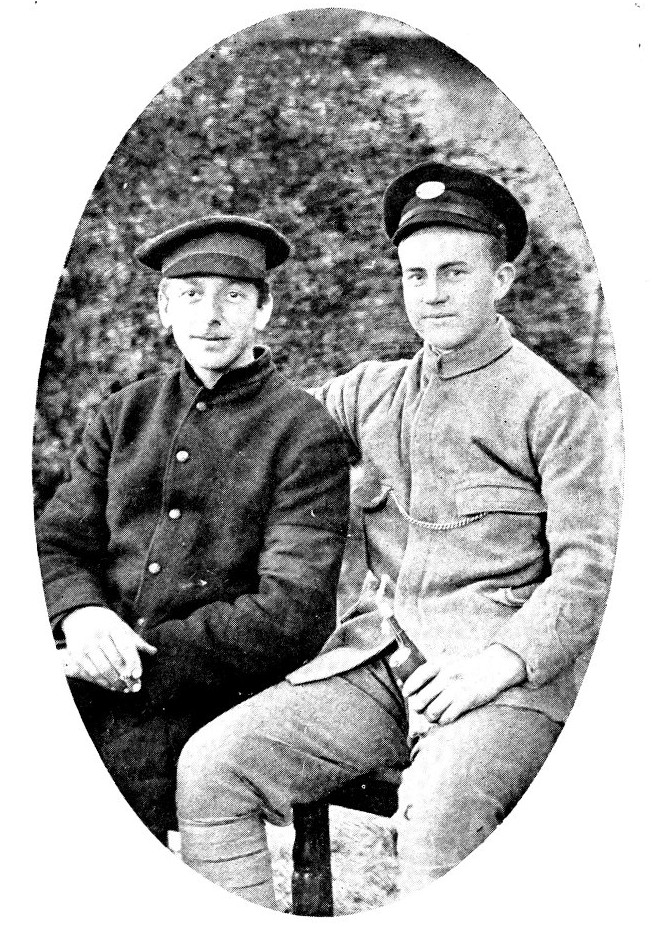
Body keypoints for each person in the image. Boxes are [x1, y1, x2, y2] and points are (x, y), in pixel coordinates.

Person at [174, 163, 618, 909]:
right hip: (385, 661)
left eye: (454, 272)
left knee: (438, 817)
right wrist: (220, 345)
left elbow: (592, 571)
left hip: (503, 681)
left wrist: (499, 664)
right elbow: (263, 435)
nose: (433, 293)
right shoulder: (370, 392)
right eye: (416, 275)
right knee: (213, 765)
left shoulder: (555, 408)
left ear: (502, 278)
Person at [36, 214, 351, 846]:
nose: (210, 316)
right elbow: (57, 542)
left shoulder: (302, 430)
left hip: (204, 692)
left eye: (233, 296)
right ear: (163, 308)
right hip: (87, 661)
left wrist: (133, 660)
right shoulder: (125, 413)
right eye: (191, 295)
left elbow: (292, 612)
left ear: (263, 311)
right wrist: (83, 616)